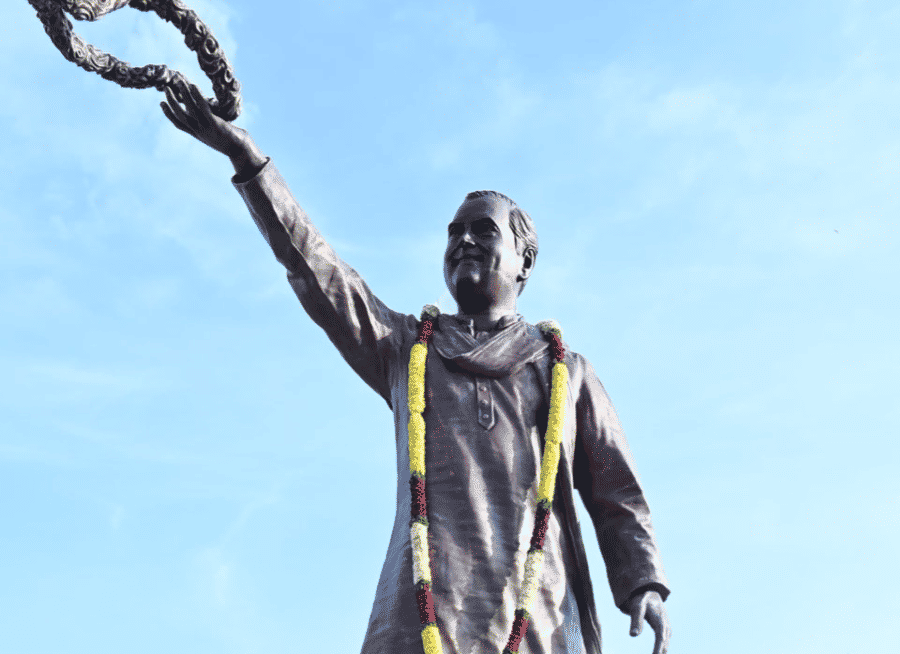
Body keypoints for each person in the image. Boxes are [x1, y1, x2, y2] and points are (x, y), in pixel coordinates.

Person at [160, 81, 671, 654]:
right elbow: (322, 275)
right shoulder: (407, 349)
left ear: (525, 262)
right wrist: (250, 163)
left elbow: (616, 490)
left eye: (484, 229)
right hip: (421, 618)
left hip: (538, 618)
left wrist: (642, 582)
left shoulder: (564, 371)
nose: (465, 240)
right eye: (455, 232)